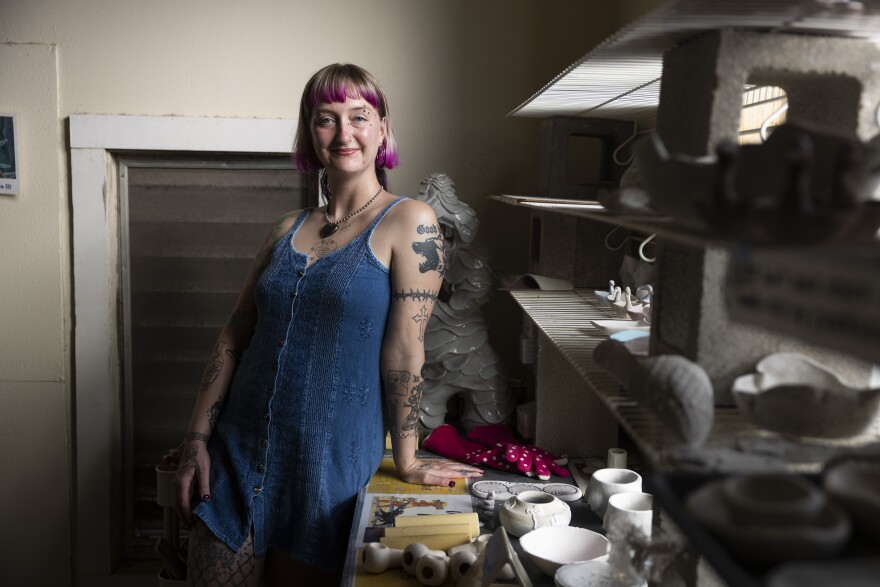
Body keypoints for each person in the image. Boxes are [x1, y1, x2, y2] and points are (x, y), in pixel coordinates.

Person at [173, 63, 484, 586]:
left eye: (359, 117)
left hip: (325, 472)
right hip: (235, 458)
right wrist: (195, 441)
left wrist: (406, 459)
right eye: (326, 119)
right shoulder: (284, 229)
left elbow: (407, 350)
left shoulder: (411, 222)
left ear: (383, 128)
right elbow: (234, 337)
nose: (344, 133)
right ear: (308, 132)